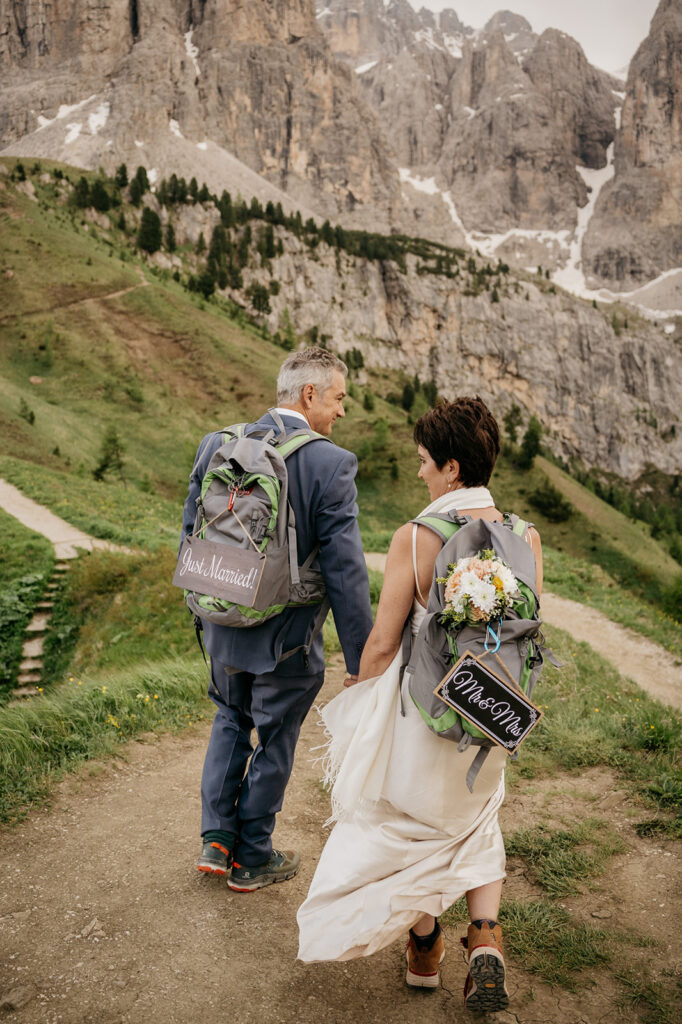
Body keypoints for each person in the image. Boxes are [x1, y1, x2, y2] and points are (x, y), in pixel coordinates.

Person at [297, 397, 543, 1012]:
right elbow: (531, 629)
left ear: (452, 469)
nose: (420, 473)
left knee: (411, 828)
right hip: (491, 709)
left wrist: (357, 693)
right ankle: (485, 944)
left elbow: (382, 644)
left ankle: (426, 948)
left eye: (425, 462)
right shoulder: (526, 537)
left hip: (425, 713)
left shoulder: (414, 537)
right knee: (477, 818)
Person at [180, 347, 373, 892]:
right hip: (285, 637)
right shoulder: (330, 464)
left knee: (228, 719)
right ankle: (253, 857)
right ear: (309, 395)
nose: (341, 412)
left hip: (220, 622)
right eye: (337, 399)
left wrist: (203, 607)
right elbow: (345, 573)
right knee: (275, 737)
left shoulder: (218, 443)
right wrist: (360, 661)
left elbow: (191, 528)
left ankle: (215, 842)